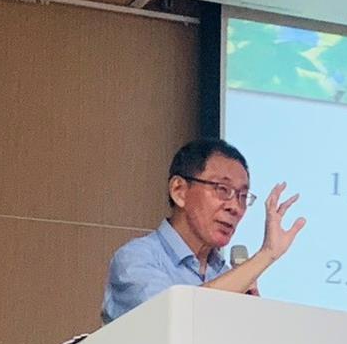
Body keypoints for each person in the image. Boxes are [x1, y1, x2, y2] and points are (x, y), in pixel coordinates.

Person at [101, 138, 305, 323]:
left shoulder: (223, 273)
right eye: (222, 189)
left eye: (242, 196)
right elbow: (173, 320)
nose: (235, 207)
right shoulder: (136, 259)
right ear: (179, 191)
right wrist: (267, 254)